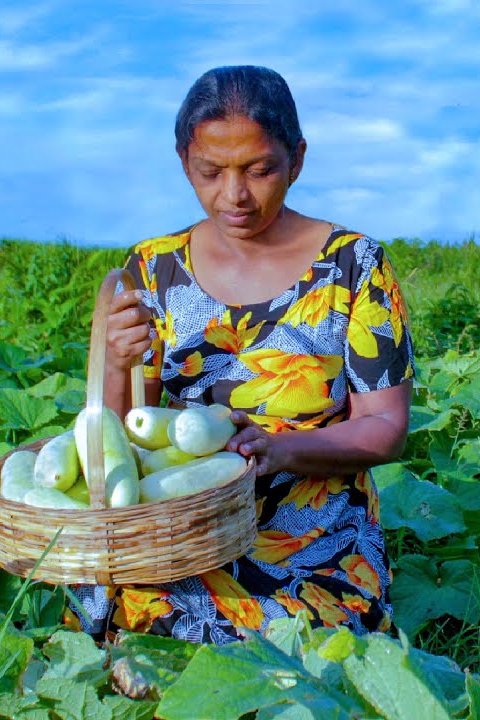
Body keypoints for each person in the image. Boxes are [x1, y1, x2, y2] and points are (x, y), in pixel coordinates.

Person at [67, 65, 415, 644]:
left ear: (296, 160)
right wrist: (114, 358)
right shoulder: (154, 269)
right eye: (211, 172)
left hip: (312, 531)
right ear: (185, 162)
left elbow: (385, 426)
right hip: (182, 525)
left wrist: (281, 450)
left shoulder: (354, 266)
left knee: (299, 633)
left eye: (259, 170)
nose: (235, 196)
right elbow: (123, 433)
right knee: (115, 593)